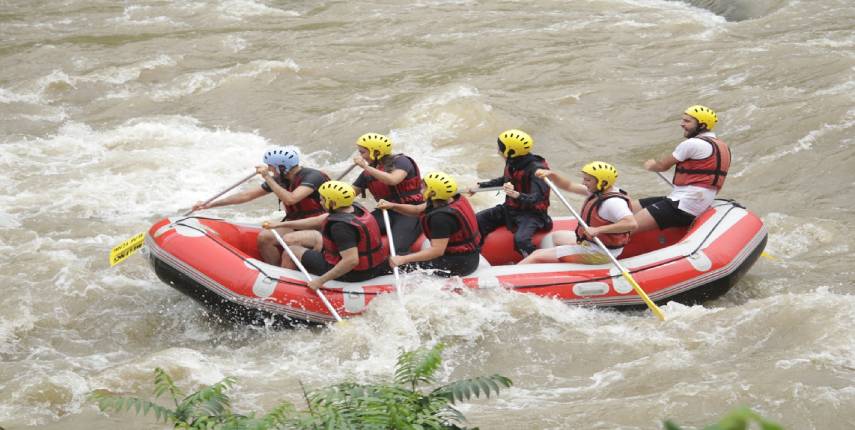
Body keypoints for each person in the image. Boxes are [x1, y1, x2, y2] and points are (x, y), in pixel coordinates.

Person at [191, 146, 329, 265]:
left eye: (271, 166)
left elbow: (291, 199)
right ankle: (277, 271)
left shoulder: (313, 177)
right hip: (295, 223)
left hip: (318, 224)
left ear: (282, 167)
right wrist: (209, 204)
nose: (269, 169)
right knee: (265, 238)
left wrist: (267, 177)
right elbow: (246, 196)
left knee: (285, 239)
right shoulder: (280, 179)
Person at [265, 180, 390, 290]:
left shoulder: (340, 227)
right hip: (374, 267)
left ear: (332, 203)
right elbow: (317, 220)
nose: (320, 202)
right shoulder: (355, 208)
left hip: (354, 274)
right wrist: (278, 225)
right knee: (316, 241)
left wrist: (320, 281)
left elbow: (351, 261)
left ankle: (285, 287)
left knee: (290, 252)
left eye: (322, 199)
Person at [631, 105, 731, 233]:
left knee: (628, 226)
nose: (682, 124)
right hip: (693, 202)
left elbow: (662, 166)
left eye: (687, 121)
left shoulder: (692, 144)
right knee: (630, 207)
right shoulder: (723, 146)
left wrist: (651, 165)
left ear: (702, 125)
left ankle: (607, 242)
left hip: (683, 205)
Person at [520, 162, 637, 265]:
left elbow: (631, 224)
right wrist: (552, 175)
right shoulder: (599, 190)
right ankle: (552, 263)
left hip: (600, 253)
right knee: (556, 236)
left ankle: (505, 282)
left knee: (536, 256)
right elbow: (569, 186)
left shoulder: (613, 202)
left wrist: (599, 230)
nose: (584, 182)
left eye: (587, 180)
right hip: (593, 243)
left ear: (602, 182)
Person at [377, 172, 481, 277]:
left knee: (388, 266)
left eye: (424, 188)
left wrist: (403, 259)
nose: (421, 190)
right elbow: (417, 209)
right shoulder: (450, 199)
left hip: (459, 264)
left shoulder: (441, 218)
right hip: (466, 255)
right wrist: (393, 206)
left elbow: (436, 251)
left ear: (432, 193)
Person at [468, 129, 551, 258]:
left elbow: (537, 198)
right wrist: (480, 186)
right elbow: (505, 179)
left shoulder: (537, 170)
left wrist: (516, 195)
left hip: (532, 214)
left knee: (521, 240)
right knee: (478, 220)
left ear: (511, 151)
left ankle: (535, 261)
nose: (498, 151)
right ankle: (476, 255)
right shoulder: (513, 162)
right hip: (511, 209)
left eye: (501, 148)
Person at [350, 133, 424, 254]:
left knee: (397, 248)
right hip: (385, 211)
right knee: (353, 232)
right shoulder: (368, 174)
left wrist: (365, 167)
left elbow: (392, 180)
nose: (361, 156)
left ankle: (406, 266)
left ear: (376, 152)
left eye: (363, 152)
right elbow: (349, 193)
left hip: (410, 211)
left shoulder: (402, 161)